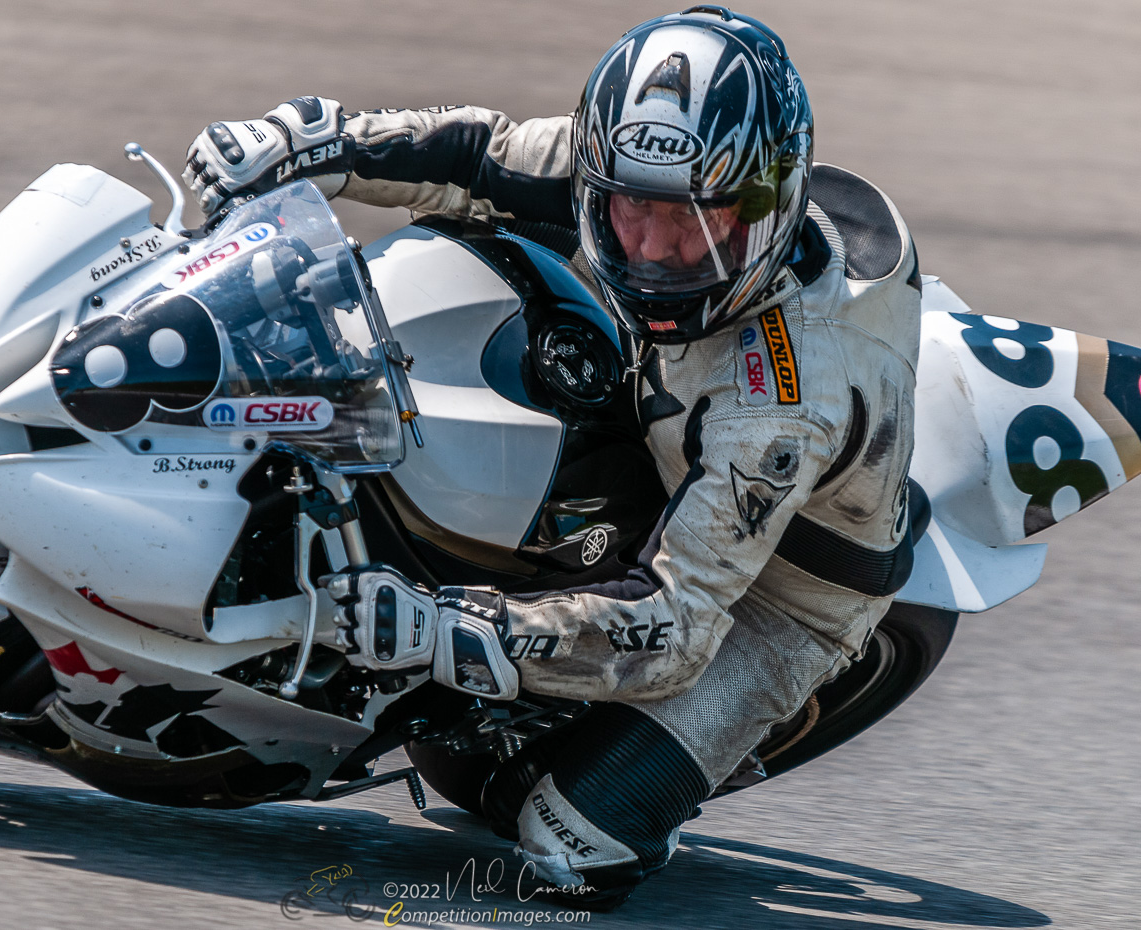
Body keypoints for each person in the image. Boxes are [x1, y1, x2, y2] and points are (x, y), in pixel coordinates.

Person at [184, 5, 921, 910]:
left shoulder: (784, 400)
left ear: (764, 209)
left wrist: (456, 629)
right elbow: (473, 154)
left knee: (564, 844)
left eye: (693, 227)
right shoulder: (625, 164)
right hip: (655, 429)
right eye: (629, 210)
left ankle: (661, 758)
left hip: (771, 591)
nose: (650, 253)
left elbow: (676, 625)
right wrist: (307, 142)